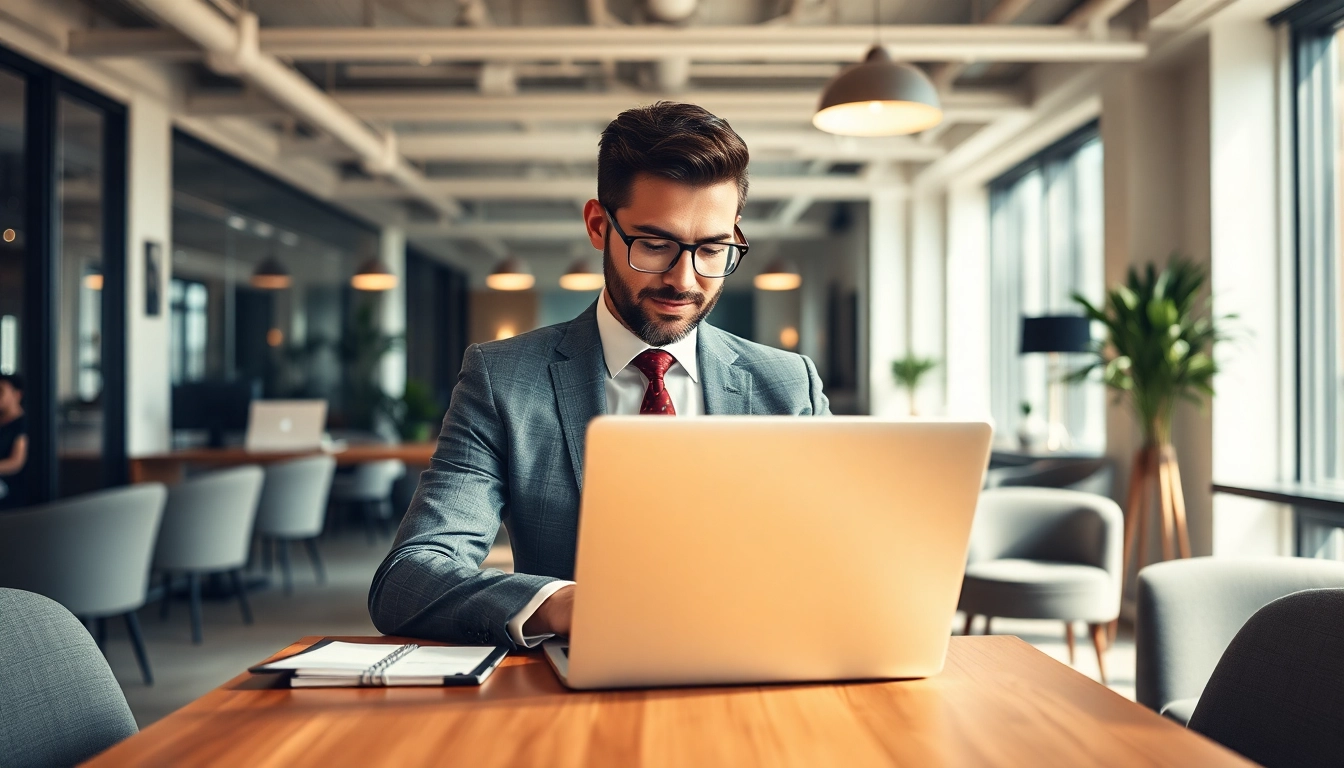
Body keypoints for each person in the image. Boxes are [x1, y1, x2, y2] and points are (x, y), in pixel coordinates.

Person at [368, 102, 830, 648]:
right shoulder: (504, 380)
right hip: (582, 680)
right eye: (654, 244)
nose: (683, 279)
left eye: (711, 249)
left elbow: (837, 553)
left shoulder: (788, 383)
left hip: (757, 672)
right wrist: (561, 604)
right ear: (597, 225)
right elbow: (408, 579)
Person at [0, 373, 28, 510]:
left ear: (17, 395)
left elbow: (16, 462)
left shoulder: (22, 424)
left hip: (13, 489)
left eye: (1, 391)